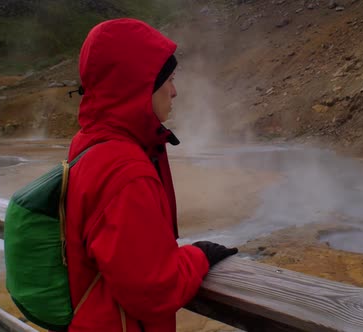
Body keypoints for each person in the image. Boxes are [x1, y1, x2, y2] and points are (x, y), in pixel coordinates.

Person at [64, 18, 237, 331]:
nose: (175, 91)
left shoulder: (89, 142)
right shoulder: (127, 172)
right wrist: (199, 256)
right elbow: (155, 288)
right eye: (168, 80)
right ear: (138, 85)